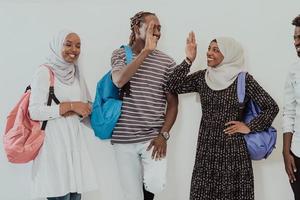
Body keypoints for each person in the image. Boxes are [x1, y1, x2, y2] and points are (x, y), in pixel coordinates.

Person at [166, 36, 279, 200]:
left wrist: (249, 126)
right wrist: (189, 59)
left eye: (216, 50)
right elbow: (172, 85)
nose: (209, 53)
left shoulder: (243, 80)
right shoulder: (203, 77)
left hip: (234, 152)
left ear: (229, 54)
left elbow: (271, 107)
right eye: (209, 48)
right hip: (207, 151)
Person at [110, 11, 196, 200]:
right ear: (136, 28)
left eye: (159, 28)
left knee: (156, 183)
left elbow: (173, 104)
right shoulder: (120, 55)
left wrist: (164, 135)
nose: (157, 32)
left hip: (152, 138)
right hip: (123, 138)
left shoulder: (166, 63)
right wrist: (146, 51)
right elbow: (119, 80)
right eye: (152, 28)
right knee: (132, 196)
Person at [29, 30, 98, 200]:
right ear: (57, 45)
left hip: (73, 145)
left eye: (78, 45)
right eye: (68, 44)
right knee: (60, 195)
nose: (73, 49)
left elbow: (84, 109)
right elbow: (34, 111)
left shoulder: (76, 73)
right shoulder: (44, 72)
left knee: (75, 196)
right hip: (53, 145)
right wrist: (70, 106)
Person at [283, 14, 300, 200]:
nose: (296, 42)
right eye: (295, 37)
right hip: (297, 153)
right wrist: (285, 151)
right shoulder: (294, 71)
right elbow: (289, 112)